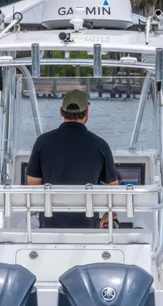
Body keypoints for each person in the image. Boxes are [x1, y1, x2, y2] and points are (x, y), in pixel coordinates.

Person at [26, 89, 118, 228]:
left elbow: (33, 186)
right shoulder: (101, 146)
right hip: (87, 229)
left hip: (49, 228)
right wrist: (109, 214)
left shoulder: (42, 142)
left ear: (61, 112)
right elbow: (113, 191)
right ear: (87, 113)